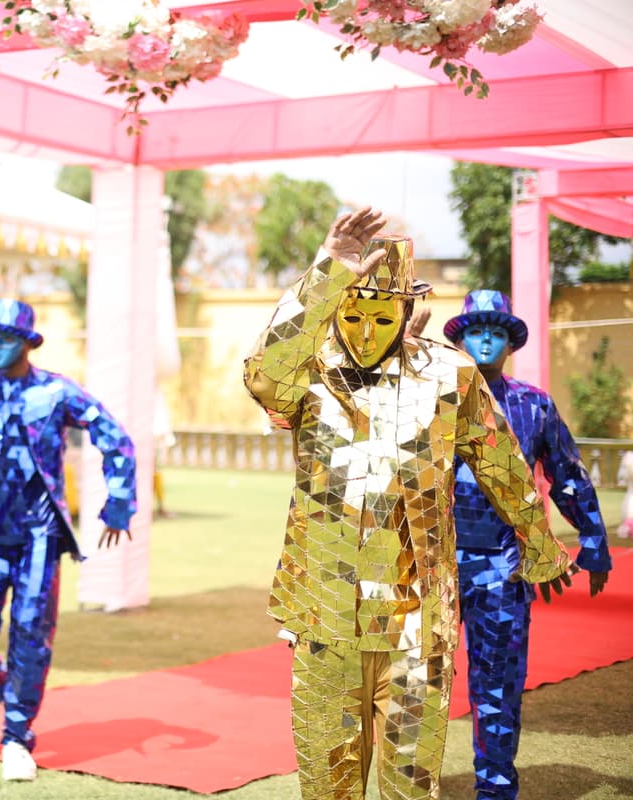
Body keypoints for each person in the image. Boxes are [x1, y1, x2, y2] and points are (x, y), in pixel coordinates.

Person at [243, 207, 573, 800]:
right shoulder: (311, 373)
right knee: (327, 784)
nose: (366, 332)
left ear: (405, 311)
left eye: (381, 315)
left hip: (417, 621)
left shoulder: (451, 377)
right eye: (354, 314)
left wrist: (539, 540)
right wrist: (330, 271)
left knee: (410, 785)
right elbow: (263, 373)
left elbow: (502, 464)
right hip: (325, 612)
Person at [0, 298, 136, 782]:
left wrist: (118, 501)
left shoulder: (54, 393)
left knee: (32, 636)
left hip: (38, 536)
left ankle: (17, 736)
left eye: (6, 337)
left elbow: (114, 435)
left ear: (28, 342)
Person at [442, 290, 611, 800]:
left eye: (497, 330)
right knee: (419, 684)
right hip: (434, 567)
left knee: (497, 684)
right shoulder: (435, 404)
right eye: (476, 328)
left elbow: (568, 476)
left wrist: (594, 541)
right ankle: (413, 785)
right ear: (461, 339)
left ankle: (495, 788)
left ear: (511, 343)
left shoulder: (534, 405)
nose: (487, 337)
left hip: (504, 567)